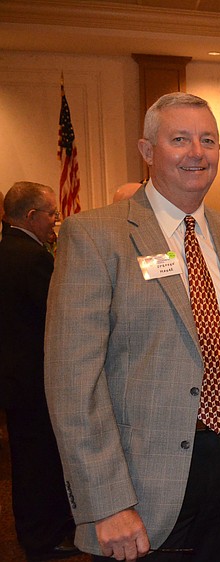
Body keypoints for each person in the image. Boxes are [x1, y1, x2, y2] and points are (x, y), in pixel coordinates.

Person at [44, 92, 220, 562]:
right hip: (140, 484)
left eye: (208, 140)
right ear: (147, 151)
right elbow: (71, 384)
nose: (196, 153)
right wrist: (107, 502)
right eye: (179, 139)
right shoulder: (96, 237)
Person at [0, 182, 78, 561]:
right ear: (31, 216)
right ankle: (44, 538)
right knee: (39, 462)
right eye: (52, 214)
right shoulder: (31, 258)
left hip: (15, 381)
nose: (56, 222)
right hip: (33, 382)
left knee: (28, 458)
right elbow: (58, 315)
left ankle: (39, 532)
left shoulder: (8, 250)